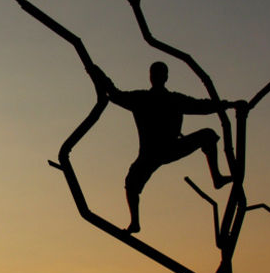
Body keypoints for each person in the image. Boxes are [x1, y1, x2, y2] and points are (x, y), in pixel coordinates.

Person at [90, 61, 244, 233]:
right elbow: (114, 93)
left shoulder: (168, 99)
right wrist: (96, 71)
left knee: (208, 135)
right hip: (151, 153)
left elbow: (202, 106)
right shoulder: (142, 98)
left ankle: (216, 177)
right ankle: (135, 223)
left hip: (169, 148)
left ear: (163, 77)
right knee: (131, 183)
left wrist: (229, 105)